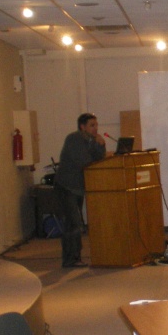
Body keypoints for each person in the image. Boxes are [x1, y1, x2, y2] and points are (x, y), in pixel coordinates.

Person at [54, 113, 107, 268]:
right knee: (73, 224)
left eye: (96, 125)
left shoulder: (90, 140)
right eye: (92, 125)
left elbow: (99, 158)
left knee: (74, 224)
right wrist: (96, 148)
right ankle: (70, 259)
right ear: (82, 127)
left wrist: (100, 145)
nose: (95, 128)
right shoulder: (74, 139)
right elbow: (85, 162)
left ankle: (74, 258)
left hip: (77, 188)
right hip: (66, 187)